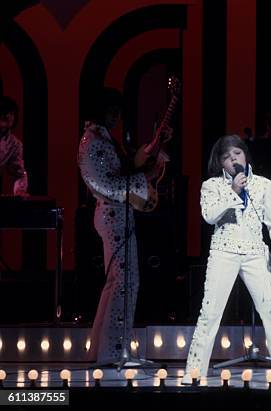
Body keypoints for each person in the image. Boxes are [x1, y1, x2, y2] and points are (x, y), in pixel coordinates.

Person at [183, 135, 271, 384]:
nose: (233, 159)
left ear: (245, 155)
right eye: (226, 156)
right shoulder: (212, 186)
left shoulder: (266, 185)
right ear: (220, 163)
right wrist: (233, 190)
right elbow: (209, 216)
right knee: (210, 312)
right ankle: (194, 372)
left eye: (236, 153)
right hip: (224, 251)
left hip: (256, 252)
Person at [78, 88, 166, 363]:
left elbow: (119, 174)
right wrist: (145, 177)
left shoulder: (100, 139)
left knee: (117, 283)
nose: (117, 116)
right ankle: (116, 351)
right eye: (112, 110)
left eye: (118, 111)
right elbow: (105, 184)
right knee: (125, 283)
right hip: (113, 215)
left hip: (116, 214)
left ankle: (104, 350)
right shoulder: (93, 142)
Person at [0, 96, 28, 195]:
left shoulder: (14, 144)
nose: (7, 116)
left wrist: (20, 191)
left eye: (11, 113)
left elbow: (19, 173)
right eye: (3, 112)